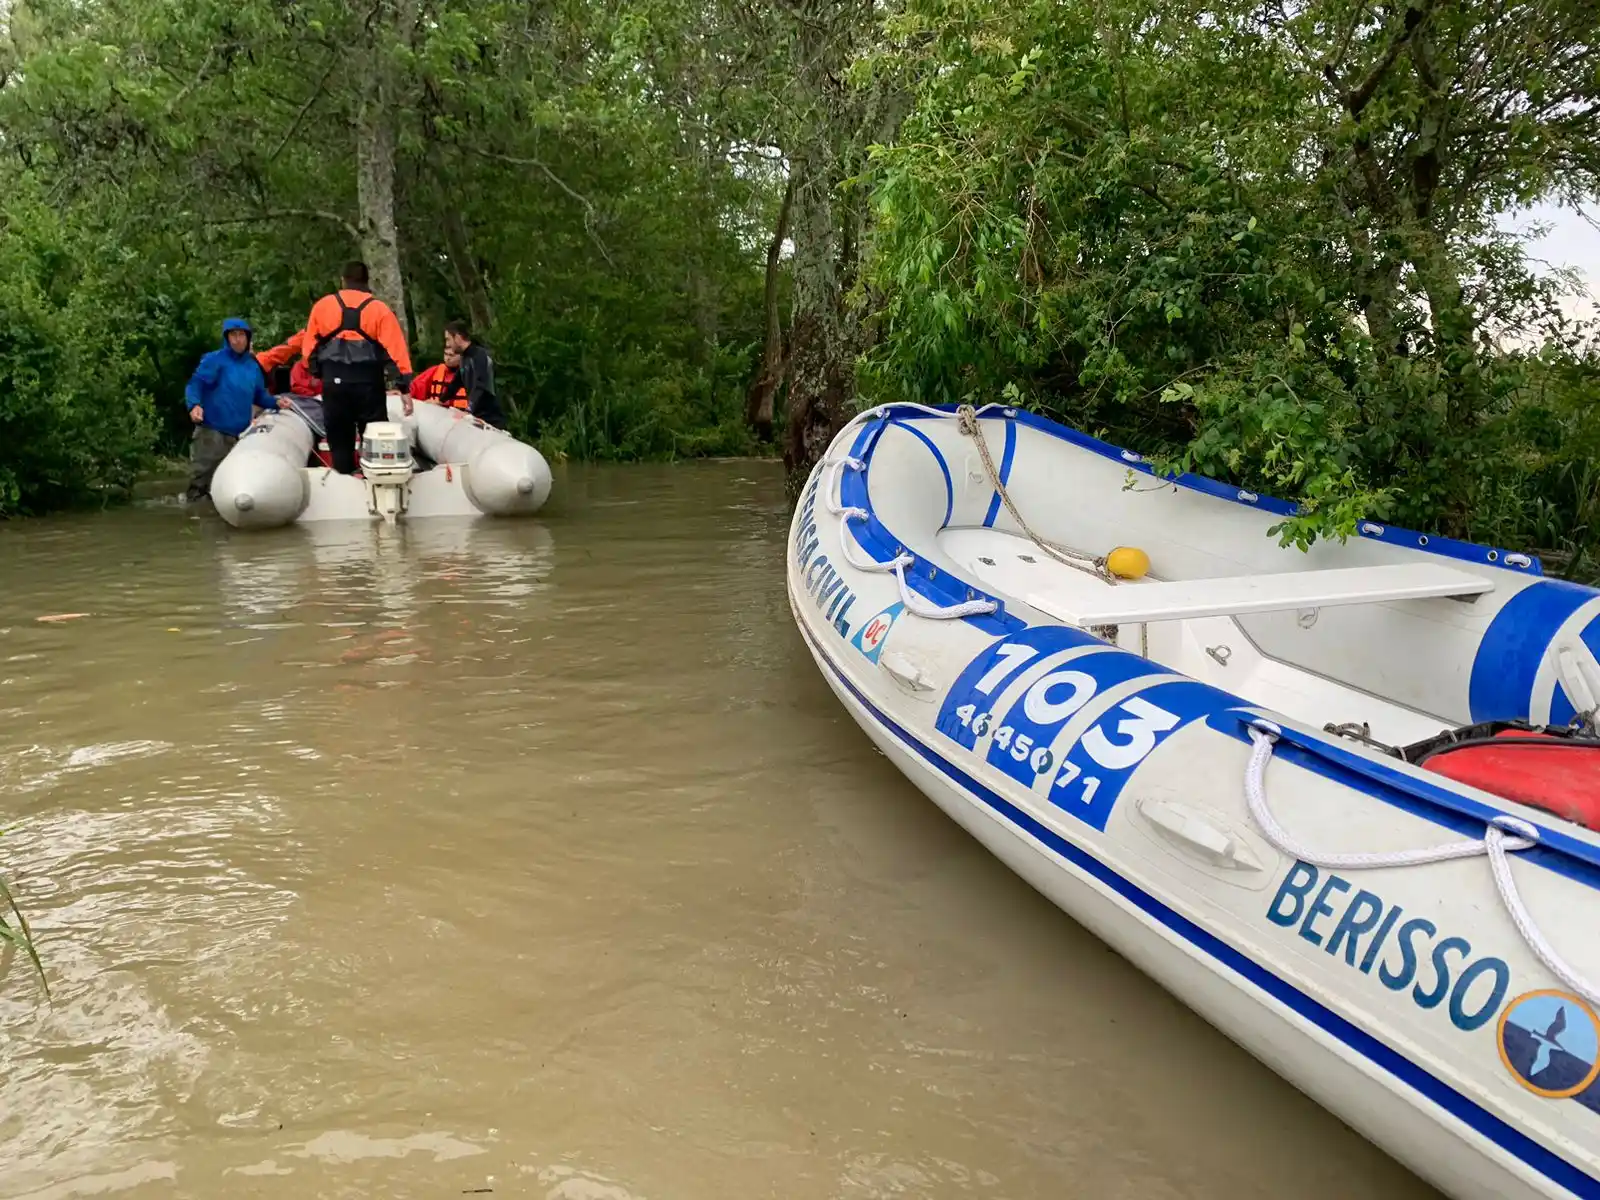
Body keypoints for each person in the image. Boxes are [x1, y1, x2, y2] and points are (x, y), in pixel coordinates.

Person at [300, 261, 413, 473]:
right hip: (369, 384)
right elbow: (396, 352)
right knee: (376, 439)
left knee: (340, 441)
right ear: (366, 281)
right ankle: (377, 487)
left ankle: (344, 484)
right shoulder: (379, 310)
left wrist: (319, 372)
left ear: (343, 280)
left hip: (334, 383)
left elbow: (308, 352)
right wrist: (404, 387)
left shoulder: (323, 307)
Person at [184, 318, 278, 503]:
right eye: (233, 335)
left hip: (238, 436)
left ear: (248, 338)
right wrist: (194, 404)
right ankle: (195, 519)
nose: (237, 340)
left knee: (228, 485)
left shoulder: (253, 366)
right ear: (226, 338)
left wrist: (277, 402)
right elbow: (195, 384)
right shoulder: (214, 359)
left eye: (241, 335)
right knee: (201, 481)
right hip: (212, 431)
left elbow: (259, 395)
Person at [444, 321, 506, 428]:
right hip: (478, 414)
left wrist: (468, 410)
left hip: (491, 417)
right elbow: (456, 382)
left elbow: (480, 384)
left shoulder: (479, 355)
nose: (447, 344)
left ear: (458, 338)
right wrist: (440, 400)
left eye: (448, 339)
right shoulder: (464, 357)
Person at [409, 344, 467, 410]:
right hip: (437, 414)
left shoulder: (470, 375)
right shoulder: (435, 371)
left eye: (451, 355)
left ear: (461, 357)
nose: (447, 358)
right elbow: (416, 385)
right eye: (446, 354)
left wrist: (441, 403)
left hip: (462, 417)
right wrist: (402, 391)